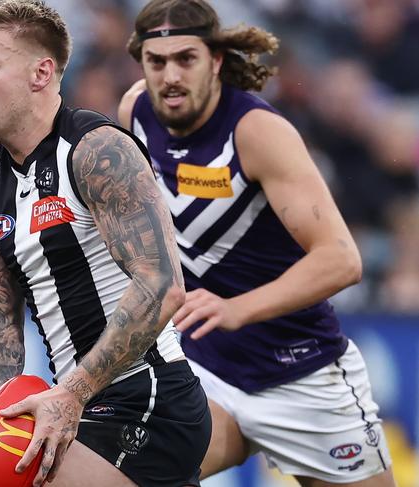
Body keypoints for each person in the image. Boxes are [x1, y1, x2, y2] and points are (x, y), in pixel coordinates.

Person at [118, 1, 397, 486]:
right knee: (134, 478)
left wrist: (236, 308)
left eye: (186, 58)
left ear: (217, 60)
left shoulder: (257, 132)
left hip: (301, 372)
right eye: (156, 61)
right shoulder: (136, 112)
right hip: (207, 366)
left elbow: (341, 260)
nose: (170, 76)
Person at [0, 2, 211, 487]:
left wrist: (72, 392)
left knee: (13, 474)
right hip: (81, 402)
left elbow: (162, 285)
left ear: (41, 73)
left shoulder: (97, 150)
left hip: (149, 395)